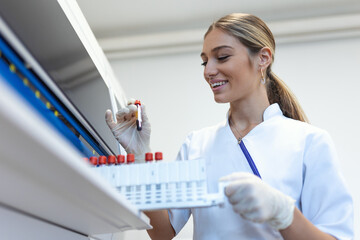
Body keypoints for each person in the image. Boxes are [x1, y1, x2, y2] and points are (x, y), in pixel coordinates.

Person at [105, 13, 353, 240]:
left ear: (263, 58)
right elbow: (163, 232)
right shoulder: (197, 144)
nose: (209, 71)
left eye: (222, 57)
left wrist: (284, 214)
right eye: (205, 62)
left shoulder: (308, 142)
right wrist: (140, 157)